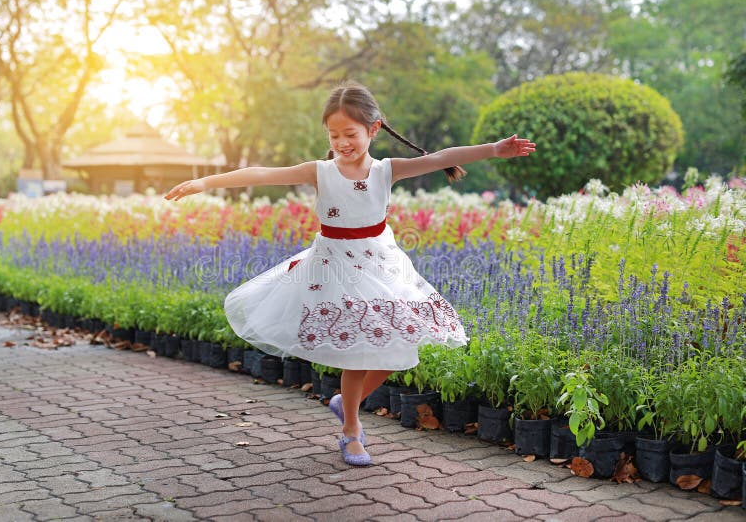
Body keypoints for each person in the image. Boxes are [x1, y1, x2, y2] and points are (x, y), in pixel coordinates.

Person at [164, 82, 535, 466]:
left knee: (400, 349)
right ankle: (352, 432)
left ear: (373, 130)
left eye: (350, 134)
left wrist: (493, 150)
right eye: (334, 134)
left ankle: (347, 403)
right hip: (333, 266)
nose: (342, 142)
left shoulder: (387, 170)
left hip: (379, 262)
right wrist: (205, 182)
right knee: (357, 355)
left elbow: (443, 156)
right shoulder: (320, 172)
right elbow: (262, 173)